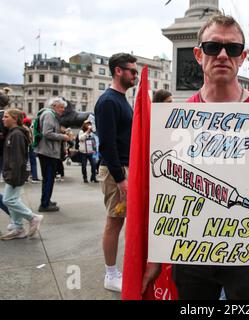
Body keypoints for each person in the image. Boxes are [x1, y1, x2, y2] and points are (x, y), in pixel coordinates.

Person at [141, 14, 249, 300]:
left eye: (233, 49)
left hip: (247, 253)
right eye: (214, 47)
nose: (223, 55)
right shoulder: (174, 119)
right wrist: (155, 254)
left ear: (243, 58)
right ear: (198, 54)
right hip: (190, 254)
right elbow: (162, 194)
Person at [95, 53, 137, 292]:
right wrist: (121, 179)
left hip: (124, 168)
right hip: (116, 171)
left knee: (121, 222)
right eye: (131, 70)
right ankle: (111, 274)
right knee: (114, 222)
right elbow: (106, 144)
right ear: (118, 71)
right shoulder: (108, 101)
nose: (135, 75)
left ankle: (118, 270)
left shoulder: (121, 99)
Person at [0, 109, 43, 240]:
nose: (3, 119)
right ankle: (18, 227)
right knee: (14, 199)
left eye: (6, 117)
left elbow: (18, 158)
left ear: (14, 119)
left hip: (15, 174)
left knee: (8, 200)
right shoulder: (14, 133)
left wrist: (13, 175)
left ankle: (32, 217)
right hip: (13, 173)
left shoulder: (17, 134)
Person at [35, 97, 72, 212]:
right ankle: (45, 204)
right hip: (48, 152)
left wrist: (61, 131)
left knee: (48, 178)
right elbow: (47, 133)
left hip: (47, 152)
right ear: (54, 106)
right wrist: (63, 137)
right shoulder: (49, 115)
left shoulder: (50, 115)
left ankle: (46, 200)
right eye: (61, 107)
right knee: (49, 179)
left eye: (63, 108)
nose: (63, 110)